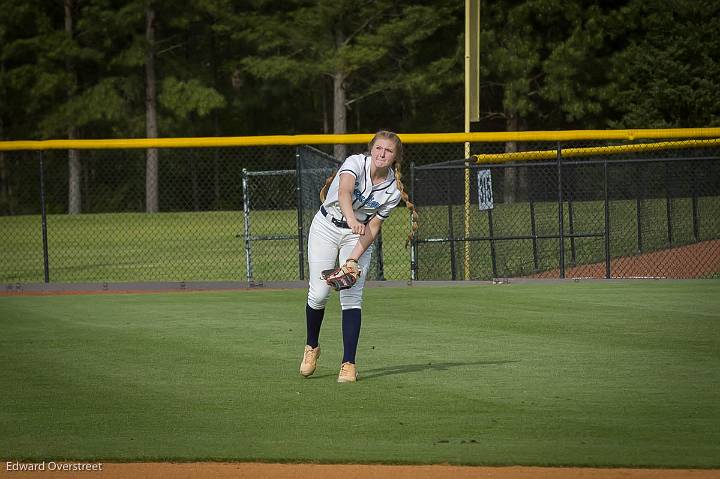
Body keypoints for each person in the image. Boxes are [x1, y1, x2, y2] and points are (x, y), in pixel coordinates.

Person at [299, 130, 418, 383]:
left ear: (396, 157)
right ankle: (311, 347)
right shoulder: (355, 162)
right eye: (378, 148)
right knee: (319, 293)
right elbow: (344, 192)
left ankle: (348, 363)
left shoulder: (393, 191)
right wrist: (352, 220)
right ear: (371, 149)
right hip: (327, 226)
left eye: (388, 151)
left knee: (351, 296)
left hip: (359, 235)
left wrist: (352, 259)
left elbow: (373, 227)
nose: (381, 154)